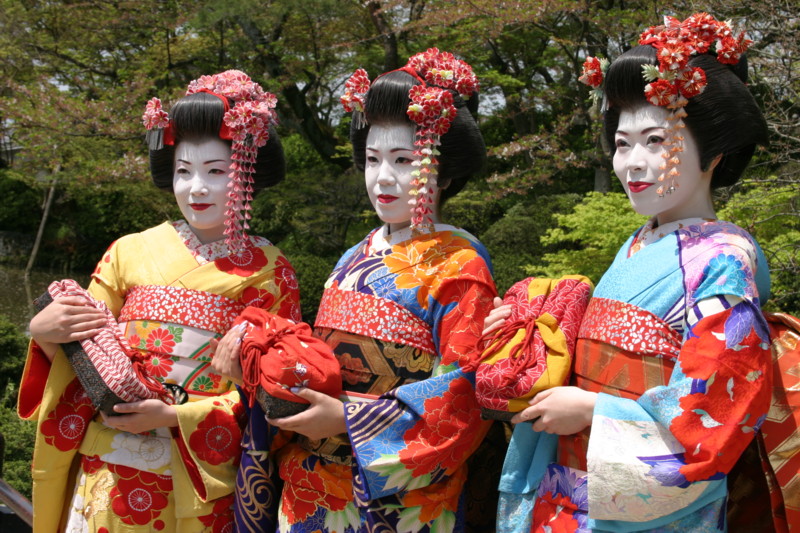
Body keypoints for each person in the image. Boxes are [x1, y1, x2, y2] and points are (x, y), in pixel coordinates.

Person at [485, 13, 774, 532]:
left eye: (657, 141)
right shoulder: (641, 242)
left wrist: (597, 409)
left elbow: (715, 409)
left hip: (647, 506)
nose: (633, 163)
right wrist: (530, 330)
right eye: (623, 143)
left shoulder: (724, 259)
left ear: (715, 152)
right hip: (572, 487)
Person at [214, 48, 499, 532]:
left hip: (400, 499)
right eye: (373, 159)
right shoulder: (352, 257)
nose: (383, 177)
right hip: (309, 485)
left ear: (444, 170)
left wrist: (347, 418)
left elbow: (462, 395)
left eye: (404, 160)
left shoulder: (462, 265)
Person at [18, 69, 300, 532]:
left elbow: (274, 392)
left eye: (216, 171)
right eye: (184, 171)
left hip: (197, 474)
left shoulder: (272, 273)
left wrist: (176, 416)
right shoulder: (129, 250)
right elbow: (82, 348)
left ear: (246, 175)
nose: (197, 188)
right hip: (108, 464)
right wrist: (46, 335)